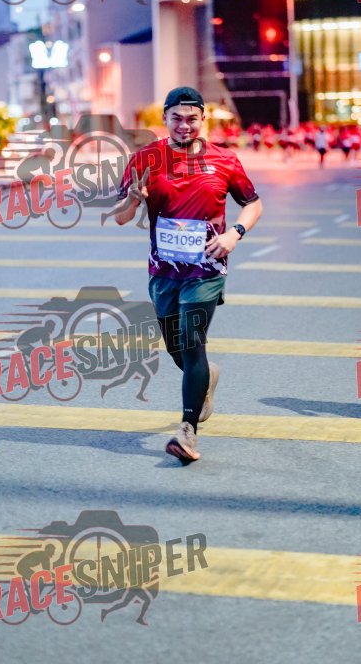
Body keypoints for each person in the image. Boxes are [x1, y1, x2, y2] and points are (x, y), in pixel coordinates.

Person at [114, 86, 262, 462]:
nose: (184, 125)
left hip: (206, 269)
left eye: (192, 119)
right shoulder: (145, 159)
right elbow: (121, 217)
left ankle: (187, 431)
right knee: (176, 348)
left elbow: (253, 204)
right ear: (164, 118)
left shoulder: (224, 160)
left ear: (203, 119)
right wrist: (133, 198)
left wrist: (235, 233)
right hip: (163, 272)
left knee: (193, 342)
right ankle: (206, 377)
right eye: (176, 118)